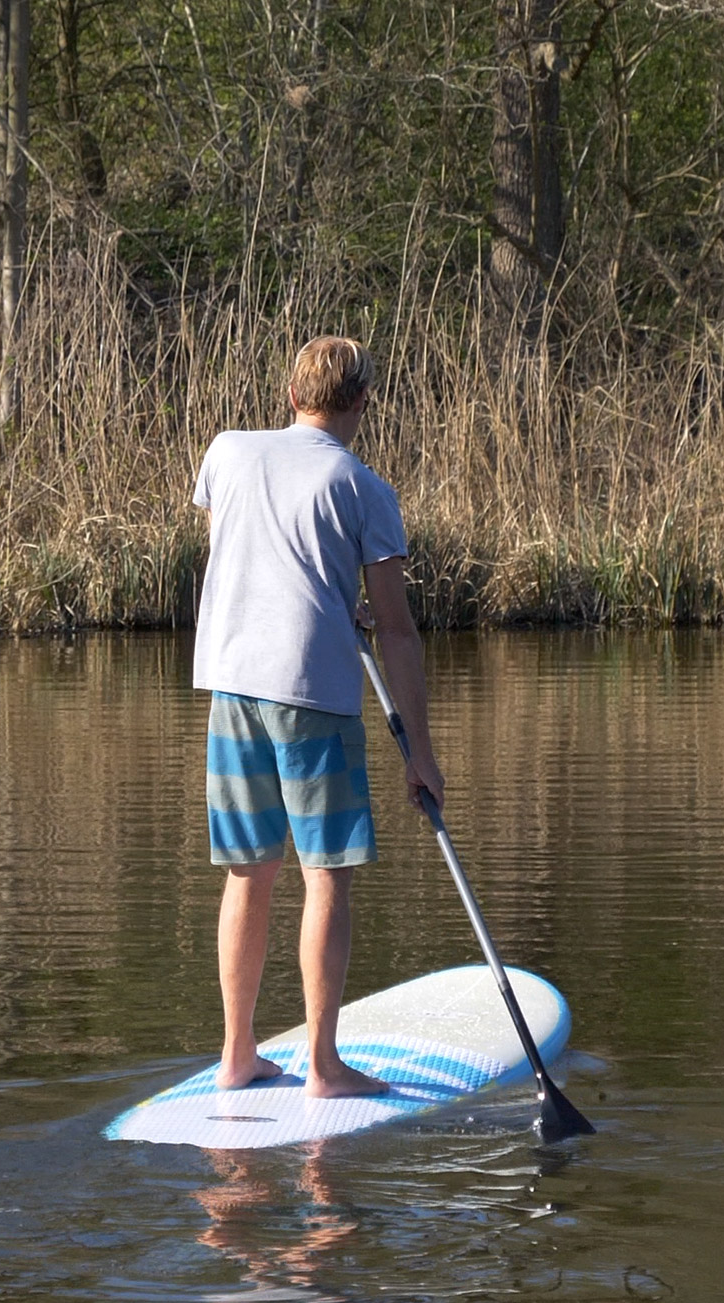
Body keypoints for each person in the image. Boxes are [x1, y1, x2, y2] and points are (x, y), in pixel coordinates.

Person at [191, 336, 445, 1098]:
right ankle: (324, 1068)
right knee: (325, 875)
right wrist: (421, 753)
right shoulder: (363, 487)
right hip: (313, 693)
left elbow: (238, 550)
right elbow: (397, 630)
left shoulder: (228, 451)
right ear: (362, 401)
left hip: (233, 685)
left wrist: (335, 600)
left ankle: (238, 1056)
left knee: (248, 874)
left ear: (291, 391)